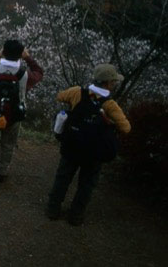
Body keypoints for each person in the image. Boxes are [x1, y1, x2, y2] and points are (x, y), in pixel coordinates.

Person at [46, 63, 131, 225]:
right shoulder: (110, 105)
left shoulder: (77, 92)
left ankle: (52, 209)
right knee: (87, 184)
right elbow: (126, 128)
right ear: (108, 83)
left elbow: (60, 96)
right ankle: (76, 216)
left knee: (62, 177)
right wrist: (109, 120)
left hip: (72, 144)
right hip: (94, 151)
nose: (114, 85)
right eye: (113, 82)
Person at [0, 39, 44, 187]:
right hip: (14, 114)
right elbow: (39, 73)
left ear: (3, 52)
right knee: (8, 144)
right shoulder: (24, 74)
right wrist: (28, 58)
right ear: (20, 55)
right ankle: (2, 173)